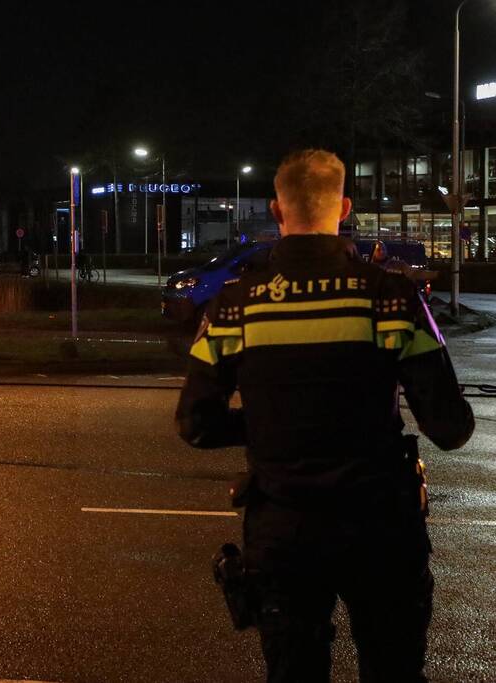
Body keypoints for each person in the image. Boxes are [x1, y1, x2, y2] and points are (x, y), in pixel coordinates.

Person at [176, 149, 474, 682]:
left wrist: (271, 427)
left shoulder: (235, 306)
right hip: (381, 525)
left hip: (283, 531)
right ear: (344, 208)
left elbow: (195, 424)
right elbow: (451, 429)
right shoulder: (391, 299)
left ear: (275, 209)